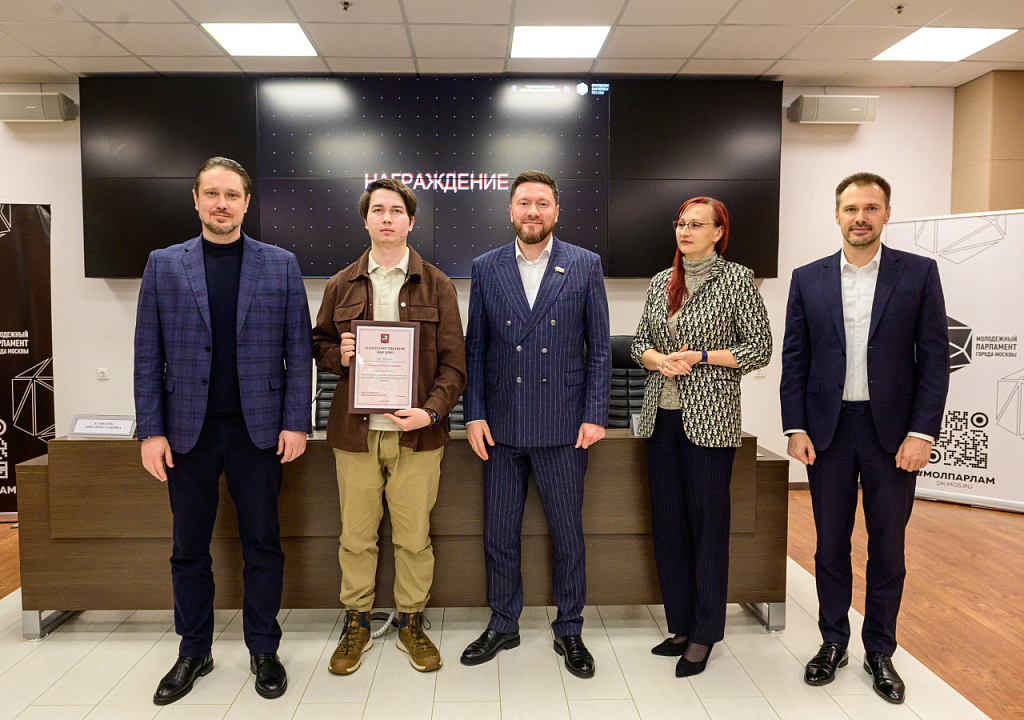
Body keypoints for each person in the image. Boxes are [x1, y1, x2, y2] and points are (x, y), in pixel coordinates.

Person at [134, 157, 312, 705]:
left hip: (258, 434)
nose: (221, 204)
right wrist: (150, 430)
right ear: (195, 200)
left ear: (246, 203)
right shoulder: (164, 264)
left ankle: (264, 648)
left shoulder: (280, 264)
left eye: (232, 195)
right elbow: (147, 353)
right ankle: (194, 650)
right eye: (212, 194)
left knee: (263, 544)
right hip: (186, 435)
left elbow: (298, 351)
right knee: (188, 547)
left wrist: (296, 422)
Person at [780, 172, 949, 704]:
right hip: (827, 432)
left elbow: (935, 361)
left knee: (888, 547)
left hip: (893, 436)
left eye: (871, 208)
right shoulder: (807, 278)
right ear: (836, 215)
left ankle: (880, 650)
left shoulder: (918, 273)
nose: (860, 217)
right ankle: (833, 642)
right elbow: (795, 359)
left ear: (886, 214)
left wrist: (922, 433)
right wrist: (796, 426)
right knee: (830, 545)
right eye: (851, 208)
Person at [459, 170, 611, 679]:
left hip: (564, 425)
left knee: (567, 534)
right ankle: (504, 622)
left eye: (542, 203)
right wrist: (474, 412)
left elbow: (599, 350)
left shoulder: (584, 264)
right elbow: (476, 348)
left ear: (556, 211)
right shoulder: (486, 266)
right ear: (510, 210)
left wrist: (594, 414)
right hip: (500, 427)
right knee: (499, 533)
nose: (533, 211)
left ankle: (569, 627)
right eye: (524, 202)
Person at [312, 178, 466, 675]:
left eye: (396, 210)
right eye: (377, 210)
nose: (386, 218)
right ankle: (356, 622)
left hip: (418, 435)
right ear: (366, 220)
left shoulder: (438, 285)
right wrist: (339, 355)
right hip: (355, 435)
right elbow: (317, 345)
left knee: (413, 537)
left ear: (410, 221)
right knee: (356, 537)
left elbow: (455, 365)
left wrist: (431, 412)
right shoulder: (340, 284)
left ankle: (411, 622)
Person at [630, 197, 771, 677]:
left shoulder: (737, 280)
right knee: (668, 525)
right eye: (680, 223)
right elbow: (640, 344)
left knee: (707, 527)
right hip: (661, 418)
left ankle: (705, 632)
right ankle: (680, 625)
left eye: (696, 224)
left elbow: (759, 348)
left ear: (718, 232)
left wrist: (702, 357)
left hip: (710, 420)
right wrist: (658, 360)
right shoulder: (660, 281)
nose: (685, 231)